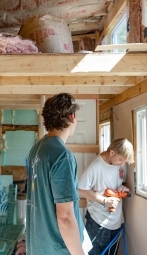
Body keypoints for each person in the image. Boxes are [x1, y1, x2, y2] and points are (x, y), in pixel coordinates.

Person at [26, 93, 86, 255]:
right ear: (72, 116)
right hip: (57, 249)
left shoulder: (37, 149)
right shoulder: (62, 155)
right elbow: (65, 217)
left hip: (38, 247)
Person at [78, 138, 135, 255]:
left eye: (124, 161)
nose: (122, 164)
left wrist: (121, 188)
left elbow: (117, 183)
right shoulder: (95, 166)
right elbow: (81, 189)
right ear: (112, 152)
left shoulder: (119, 164)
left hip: (116, 222)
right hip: (98, 222)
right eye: (120, 160)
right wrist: (104, 200)